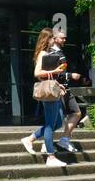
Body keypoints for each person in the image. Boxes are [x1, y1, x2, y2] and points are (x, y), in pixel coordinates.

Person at [21, 28, 68, 167]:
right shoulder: (43, 53)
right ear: (47, 39)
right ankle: (50, 157)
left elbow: (47, 75)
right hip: (48, 93)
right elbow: (37, 73)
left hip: (53, 89)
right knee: (49, 124)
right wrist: (55, 71)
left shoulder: (46, 53)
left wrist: (59, 84)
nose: (54, 40)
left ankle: (30, 138)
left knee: (58, 123)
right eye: (53, 38)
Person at [50, 30, 86, 152]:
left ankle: (64, 140)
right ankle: (42, 142)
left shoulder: (60, 53)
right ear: (55, 39)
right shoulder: (51, 53)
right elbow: (55, 74)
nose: (65, 40)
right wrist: (71, 75)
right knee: (56, 120)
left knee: (76, 113)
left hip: (66, 89)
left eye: (65, 38)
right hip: (58, 89)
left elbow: (60, 71)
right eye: (62, 38)